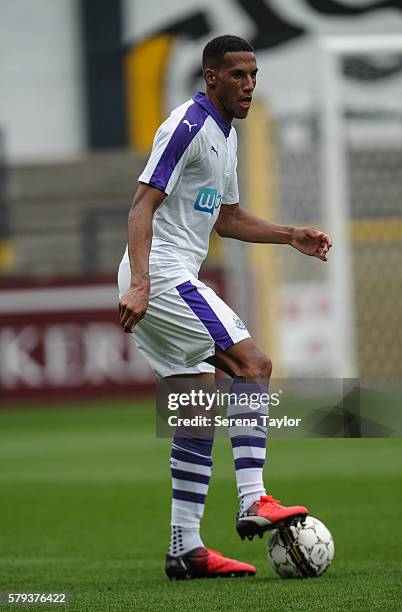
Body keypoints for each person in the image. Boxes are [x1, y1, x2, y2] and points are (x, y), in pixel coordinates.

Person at [118, 34, 332, 580]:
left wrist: (289, 235)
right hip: (162, 274)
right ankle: (253, 498)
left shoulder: (225, 135)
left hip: (165, 275)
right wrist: (141, 283)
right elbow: (142, 206)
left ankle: (184, 550)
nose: (249, 85)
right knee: (253, 364)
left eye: (254, 75)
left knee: (194, 412)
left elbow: (227, 217)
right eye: (238, 75)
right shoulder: (187, 125)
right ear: (211, 76)